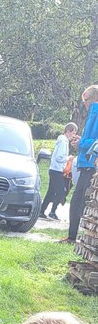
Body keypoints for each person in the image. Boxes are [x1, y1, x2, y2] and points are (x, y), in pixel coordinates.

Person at [62, 84, 98, 243]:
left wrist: (81, 143)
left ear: (95, 98)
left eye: (86, 100)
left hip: (92, 166)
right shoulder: (91, 113)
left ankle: (77, 237)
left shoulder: (96, 113)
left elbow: (95, 142)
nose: (84, 103)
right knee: (77, 202)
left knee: (81, 203)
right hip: (85, 164)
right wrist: (79, 143)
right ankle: (72, 236)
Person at [40, 123, 78, 219]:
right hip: (56, 170)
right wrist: (68, 158)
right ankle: (52, 212)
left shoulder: (63, 141)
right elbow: (59, 157)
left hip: (55, 169)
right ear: (68, 131)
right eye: (73, 133)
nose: (74, 135)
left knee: (51, 192)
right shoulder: (63, 142)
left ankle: (42, 210)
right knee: (62, 192)